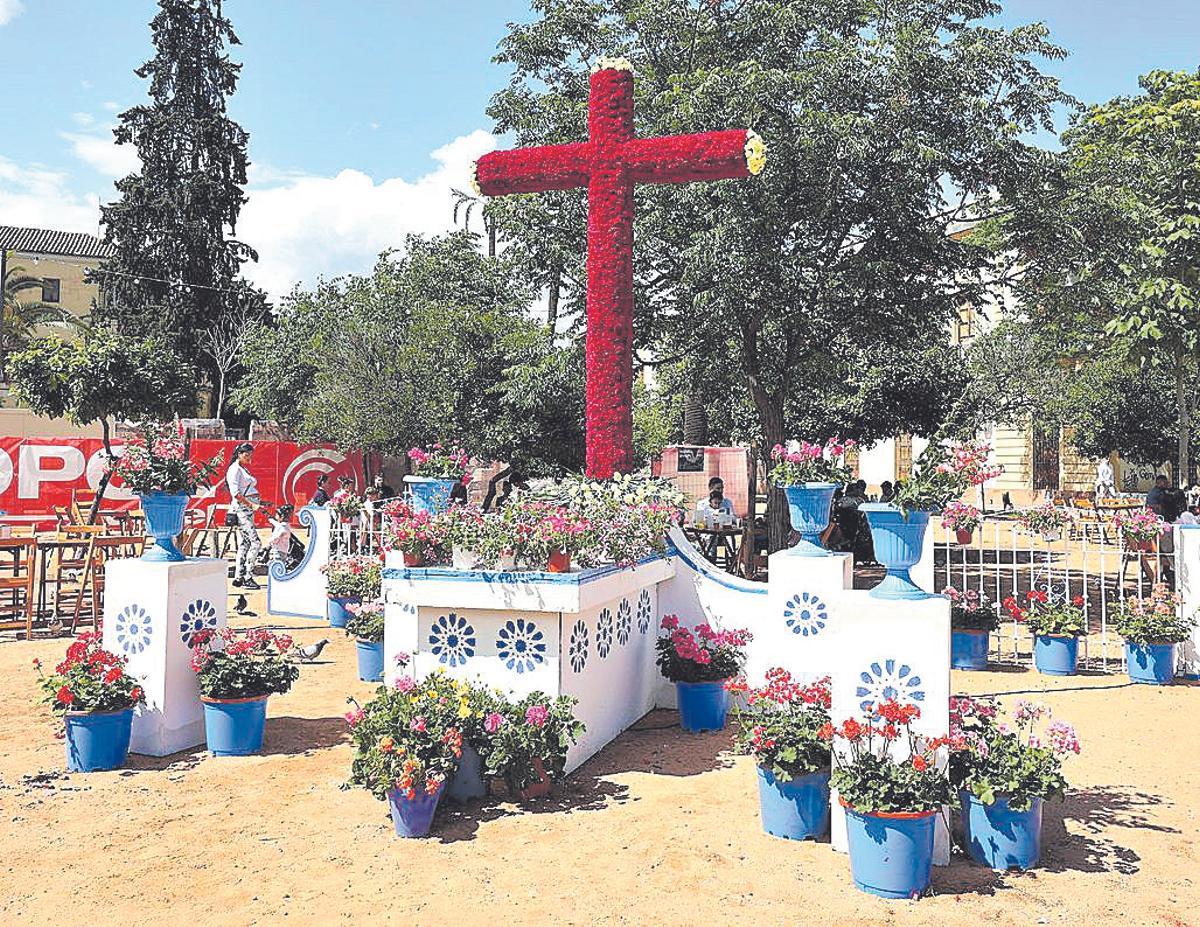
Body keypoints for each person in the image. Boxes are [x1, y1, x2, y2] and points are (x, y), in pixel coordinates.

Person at [226, 443, 263, 589]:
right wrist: (251, 504)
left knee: (245, 543)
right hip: (243, 510)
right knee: (256, 542)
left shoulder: (241, 469)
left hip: (247, 509)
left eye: (250, 454)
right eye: (246, 454)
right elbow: (236, 493)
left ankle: (239, 576)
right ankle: (248, 576)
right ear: (239, 454)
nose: (249, 457)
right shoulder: (235, 470)